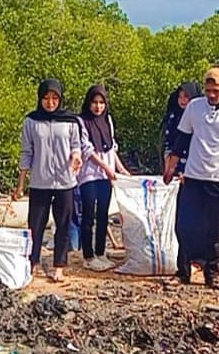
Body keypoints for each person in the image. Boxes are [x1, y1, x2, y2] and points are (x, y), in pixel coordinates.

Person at [164, 67, 219, 290]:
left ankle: (211, 273)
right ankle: (183, 271)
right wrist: (171, 165)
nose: (211, 95)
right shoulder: (195, 107)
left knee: (212, 228)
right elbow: (182, 138)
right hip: (192, 175)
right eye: (208, 90)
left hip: (218, 177)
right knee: (184, 225)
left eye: (216, 91)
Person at [16, 79, 86, 282]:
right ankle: (34, 261)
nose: (50, 102)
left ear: (60, 99)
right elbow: (26, 152)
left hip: (65, 181)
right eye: (46, 98)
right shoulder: (31, 121)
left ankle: (59, 265)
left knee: (63, 224)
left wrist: (76, 156)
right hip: (40, 181)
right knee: (36, 224)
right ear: (40, 99)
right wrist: (22, 183)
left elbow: (76, 145)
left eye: (55, 98)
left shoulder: (71, 121)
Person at [78, 85, 133, 271]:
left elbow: (111, 147)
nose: (98, 107)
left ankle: (100, 253)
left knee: (103, 215)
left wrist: (121, 169)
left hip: (106, 176)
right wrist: (106, 168)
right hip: (89, 175)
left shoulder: (107, 120)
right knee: (88, 216)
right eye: (94, 102)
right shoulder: (82, 121)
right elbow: (87, 149)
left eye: (101, 103)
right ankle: (88, 255)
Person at [160, 81, 200, 174]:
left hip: (195, 167)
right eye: (180, 97)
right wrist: (168, 164)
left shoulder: (201, 117)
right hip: (174, 166)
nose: (182, 100)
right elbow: (168, 142)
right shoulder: (173, 117)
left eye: (186, 96)